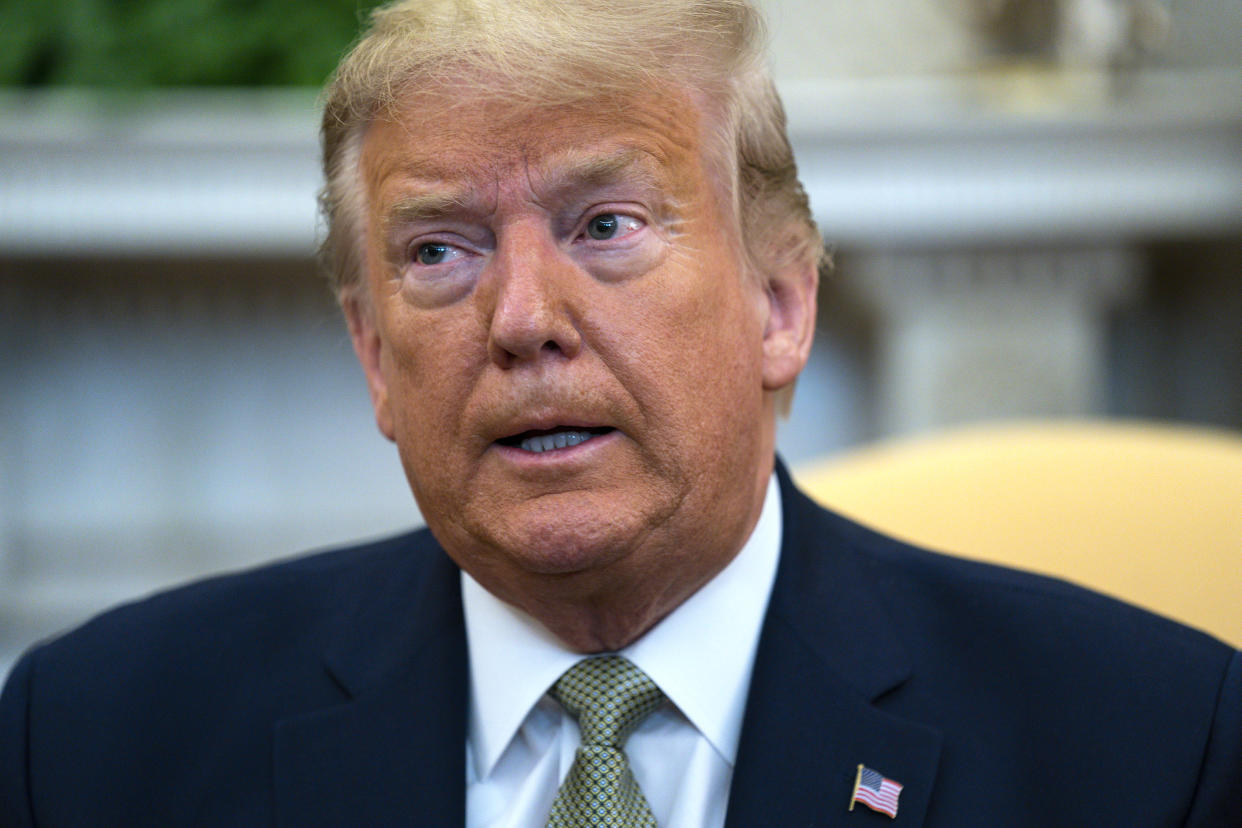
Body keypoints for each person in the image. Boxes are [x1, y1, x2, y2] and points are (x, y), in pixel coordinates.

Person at [1, 0, 1239, 825]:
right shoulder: (96, 747)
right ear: (375, 355)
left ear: (780, 303)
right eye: (439, 250)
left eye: (608, 226)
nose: (522, 317)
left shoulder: (1153, 751)